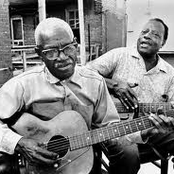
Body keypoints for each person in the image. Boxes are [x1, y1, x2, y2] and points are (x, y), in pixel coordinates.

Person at [0, 17, 172, 174]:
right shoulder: (23, 84)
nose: (62, 57)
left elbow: (111, 130)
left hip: (79, 161)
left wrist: (144, 132)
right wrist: (19, 143)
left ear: (76, 46)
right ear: (39, 53)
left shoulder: (95, 83)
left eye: (68, 48)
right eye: (51, 51)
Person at [87, 18, 174, 172]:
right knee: (129, 154)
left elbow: (172, 110)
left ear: (163, 43)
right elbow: (85, 73)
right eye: (144, 32)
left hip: (152, 129)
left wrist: (167, 121)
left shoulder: (170, 73)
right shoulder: (120, 55)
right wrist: (114, 84)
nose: (147, 36)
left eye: (155, 34)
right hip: (116, 127)